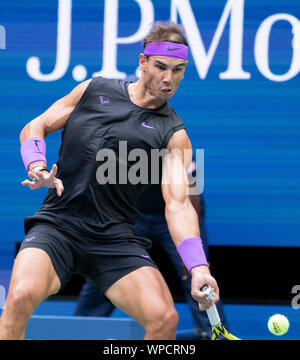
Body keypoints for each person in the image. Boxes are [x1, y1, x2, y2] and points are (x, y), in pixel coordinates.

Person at [0, 21, 219, 340]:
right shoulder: (94, 89)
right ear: (143, 62)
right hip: (58, 226)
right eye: (161, 67)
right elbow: (36, 126)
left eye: (178, 70)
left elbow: (179, 206)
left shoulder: (174, 135)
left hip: (115, 239)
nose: (168, 79)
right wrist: (37, 164)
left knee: (163, 318)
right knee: (18, 300)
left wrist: (199, 266)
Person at [74, 183, 228, 339]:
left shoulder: (177, 158)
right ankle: (78, 333)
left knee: (196, 276)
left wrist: (192, 255)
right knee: (105, 269)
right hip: (131, 214)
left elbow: (190, 192)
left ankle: (217, 335)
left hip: (173, 215)